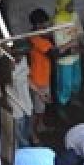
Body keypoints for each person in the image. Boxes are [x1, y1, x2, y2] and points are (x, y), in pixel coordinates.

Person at [52, 0, 84, 108]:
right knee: (66, 85)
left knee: (77, 82)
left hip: (75, 55)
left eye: (72, 4)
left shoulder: (74, 15)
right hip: (65, 60)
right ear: (63, 6)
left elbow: (80, 30)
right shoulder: (57, 22)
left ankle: (74, 99)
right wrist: (72, 43)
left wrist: (80, 39)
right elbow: (60, 47)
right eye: (69, 5)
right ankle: (62, 105)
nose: (72, 7)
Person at [27, 8, 55, 137]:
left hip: (44, 76)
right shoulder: (36, 38)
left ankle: (40, 126)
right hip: (38, 79)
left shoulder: (40, 36)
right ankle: (33, 133)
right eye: (44, 23)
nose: (46, 25)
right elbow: (53, 53)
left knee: (42, 107)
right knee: (38, 110)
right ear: (38, 25)